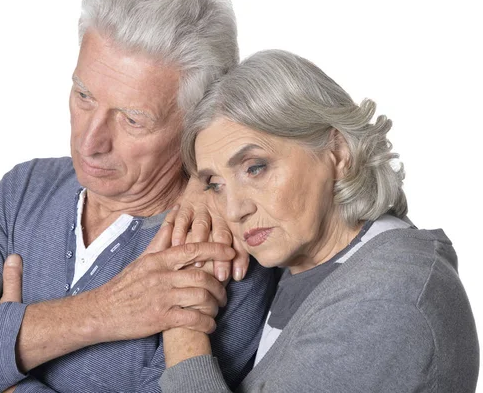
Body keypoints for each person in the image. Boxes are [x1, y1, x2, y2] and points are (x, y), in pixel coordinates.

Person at [0, 0, 276, 392]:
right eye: (84, 97)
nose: (90, 142)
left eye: (132, 119)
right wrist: (106, 311)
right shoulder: (26, 190)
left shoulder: (222, 249)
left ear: (200, 120)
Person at [158, 50, 480, 392]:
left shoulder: (388, 298)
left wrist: (183, 329)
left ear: (338, 152)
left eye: (255, 168)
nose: (235, 210)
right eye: (216, 185)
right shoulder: (311, 263)